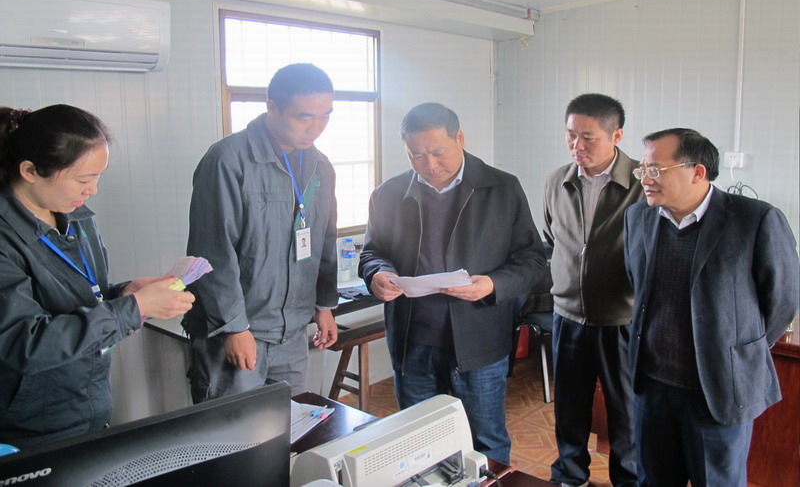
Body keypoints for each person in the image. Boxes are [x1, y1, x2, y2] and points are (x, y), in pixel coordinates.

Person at [359, 102, 546, 464]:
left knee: (486, 443)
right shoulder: (388, 194)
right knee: (418, 444)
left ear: (459, 138)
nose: (429, 164)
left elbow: (533, 260)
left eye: (437, 151)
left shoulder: (501, 188)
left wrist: (491, 284)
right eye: (416, 154)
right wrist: (377, 273)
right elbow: (372, 252)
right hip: (413, 341)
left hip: (479, 342)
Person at [0, 105, 195, 449]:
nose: (93, 190)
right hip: (30, 427)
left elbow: (81, 297)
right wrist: (133, 309)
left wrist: (124, 294)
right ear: (30, 171)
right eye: (83, 180)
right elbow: (25, 343)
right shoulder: (6, 238)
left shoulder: (77, 217)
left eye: (98, 177)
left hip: (88, 403)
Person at [624, 128, 799, 487]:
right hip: (653, 387)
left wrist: (739, 350)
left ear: (697, 172)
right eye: (642, 170)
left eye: (655, 170)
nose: (645, 180)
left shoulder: (754, 219)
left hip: (718, 389)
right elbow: (637, 285)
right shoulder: (638, 217)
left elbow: (783, 300)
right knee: (652, 480)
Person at [183, 63, 339, 402]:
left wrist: (324, 305)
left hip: (292, 332)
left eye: (325, 116)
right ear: (272, 107)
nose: (316, 128)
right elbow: (212, 253)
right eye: (304, 117)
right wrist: (234, 327)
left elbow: (324, 242)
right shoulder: (228, 160)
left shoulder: (320, 166)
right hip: (237, 332)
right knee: (233, 429)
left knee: (290, 423)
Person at [543, 94, 641, 487]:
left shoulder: (642, 183)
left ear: (616, 135)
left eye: (588, 137)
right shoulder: (557, 180)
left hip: (622, 318)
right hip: (568, 315)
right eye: (570, 135)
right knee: (569, 408)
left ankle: (629, 479)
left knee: (626, 412)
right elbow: (553, 238)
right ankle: (570, 475)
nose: (576, 146)